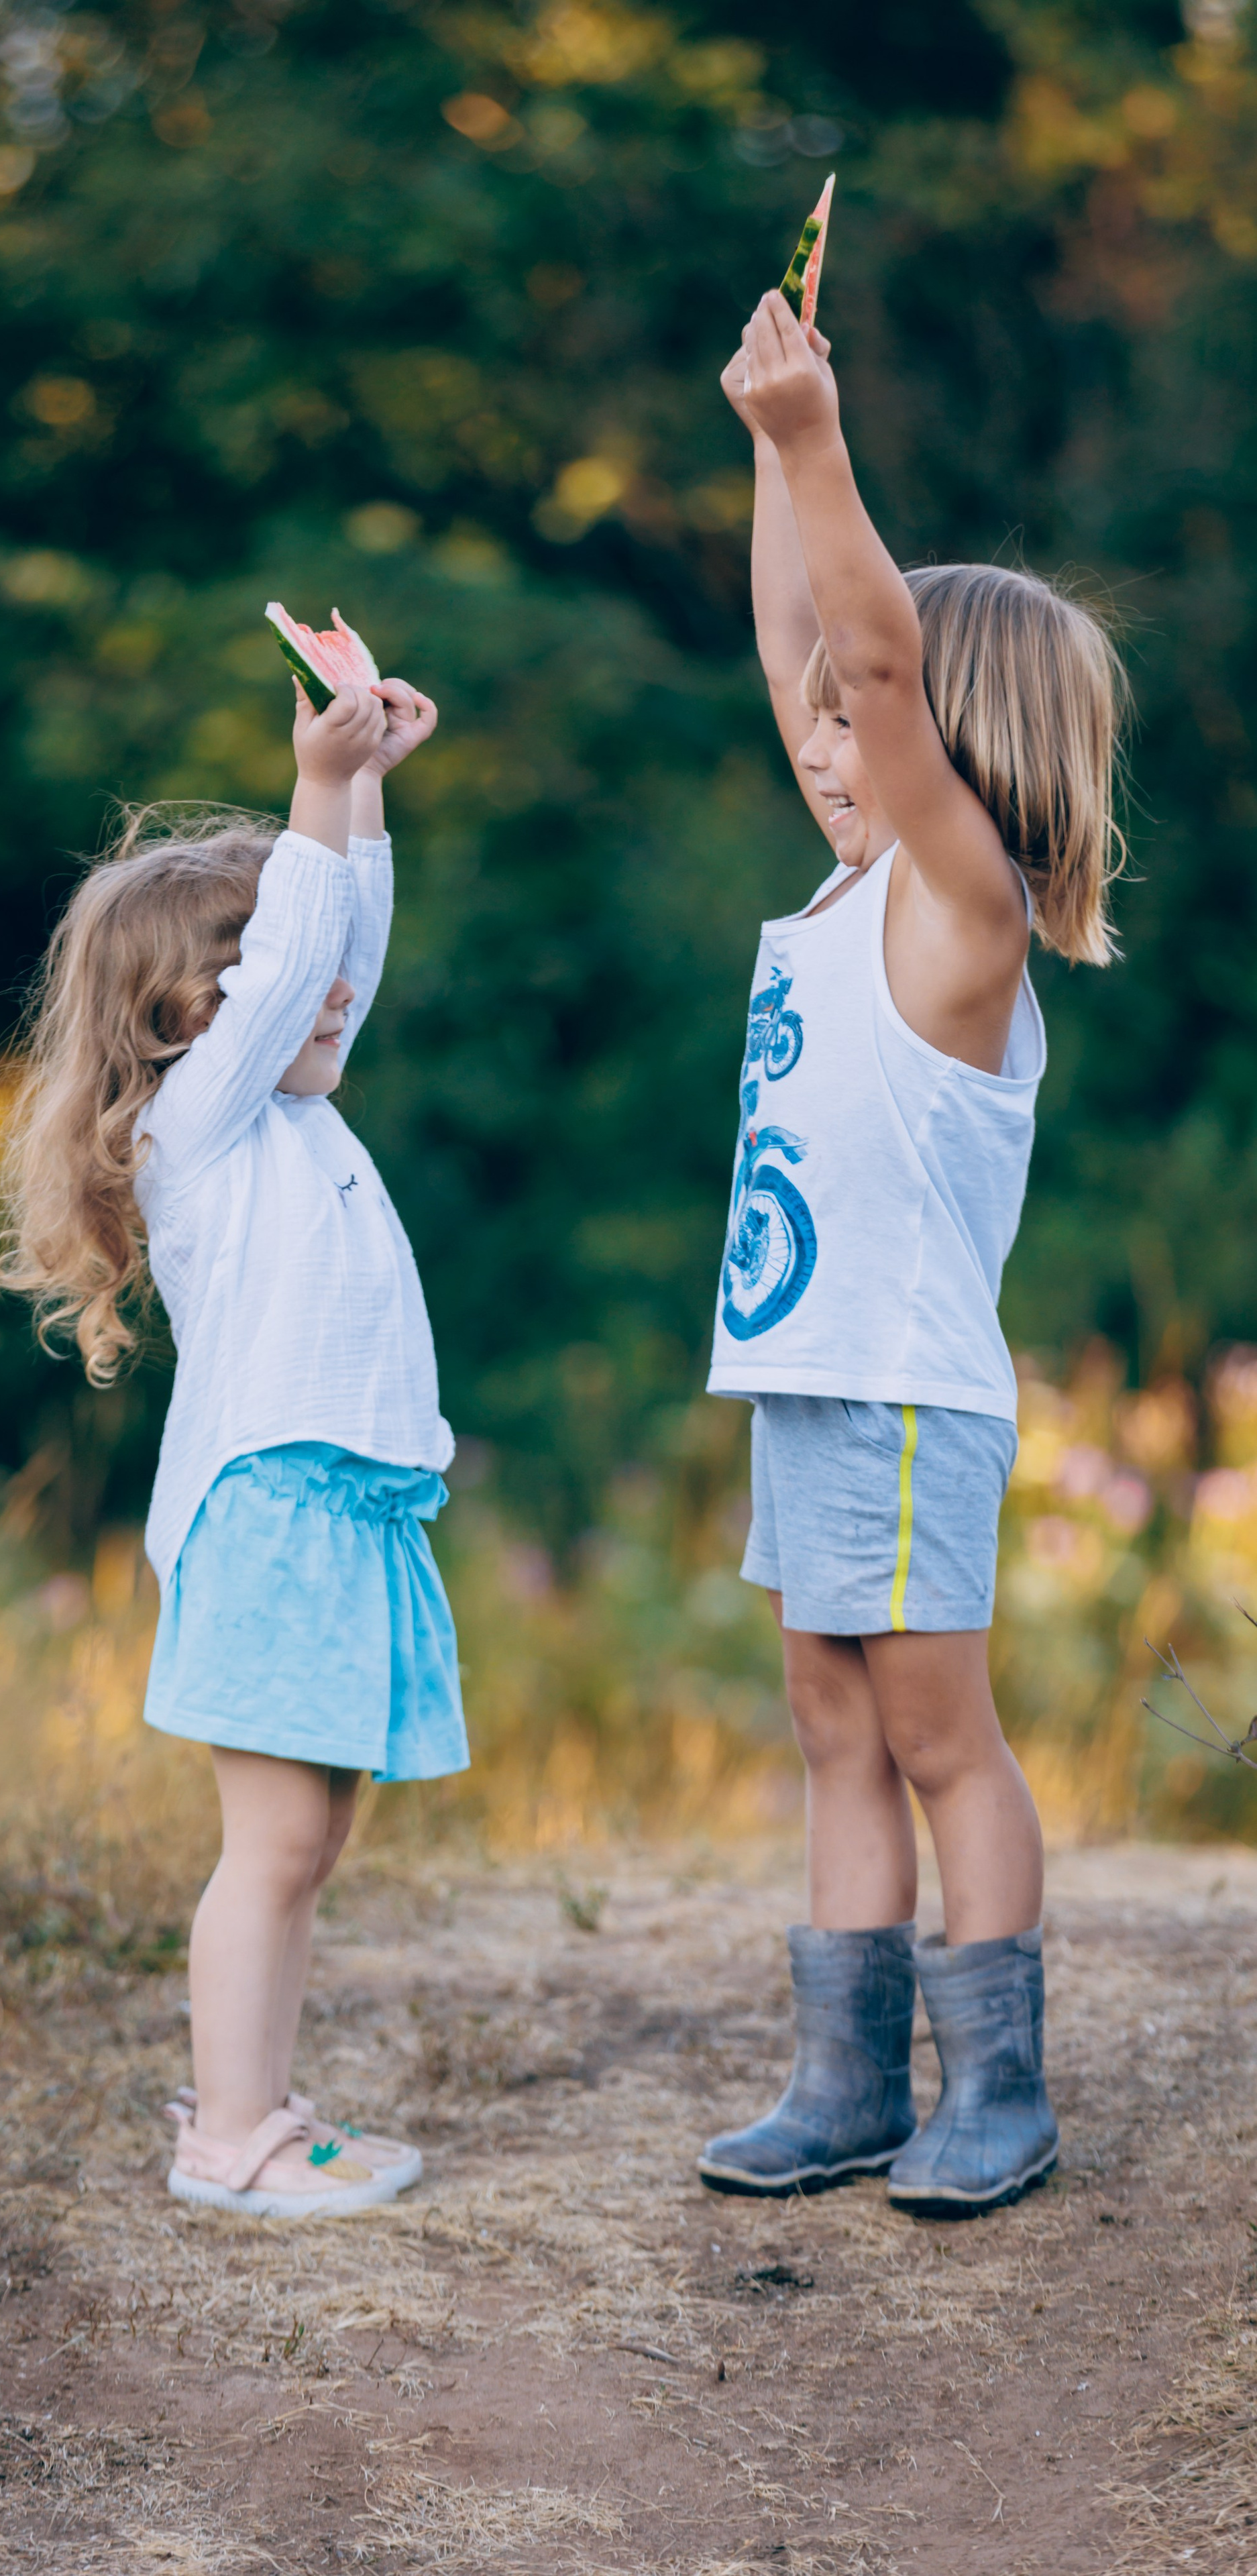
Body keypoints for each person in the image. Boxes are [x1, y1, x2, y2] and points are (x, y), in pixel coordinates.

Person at [698, 288, 1125, 2217]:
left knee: (941, 1733)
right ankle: (846, 2081)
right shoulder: (839, 889)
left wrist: (819, 448)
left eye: (858, 719)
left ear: (954, 738)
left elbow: (862, 654)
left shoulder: (961, 915)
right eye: (815, 718)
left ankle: (994, 2094)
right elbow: (813, 632)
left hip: (901, 1393)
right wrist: (764, 445)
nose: (820, 728)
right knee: (829, 1725)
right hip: (805, 1380)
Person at [0, 666, 463, 2217]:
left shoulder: (290, 1111)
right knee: (269, 1847)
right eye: (278, 973)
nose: (331, 996)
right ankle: (228, 2144)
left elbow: (342, 955)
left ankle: (256, 2102)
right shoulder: (200, 1125)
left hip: (330, 1507)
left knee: (310, 1838)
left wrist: (368, 784)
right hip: (270, 1511)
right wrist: (312, 783)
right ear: (186, 1017)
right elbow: (296, 980)